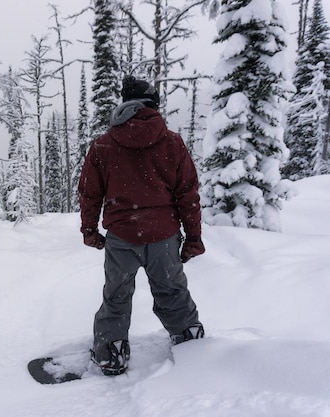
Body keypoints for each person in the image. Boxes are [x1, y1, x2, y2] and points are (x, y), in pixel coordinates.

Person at [78, 76, 206, 376]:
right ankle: (189, 339)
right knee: (172, 290)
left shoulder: (104, 144)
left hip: (122, 237)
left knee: (117, 295)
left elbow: (89, 192)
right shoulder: (172, 142)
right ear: (153, 105)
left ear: (125, 103)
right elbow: (188, 194)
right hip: (164, 236)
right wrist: (193, 238)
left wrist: (89, 230)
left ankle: (111, 352)